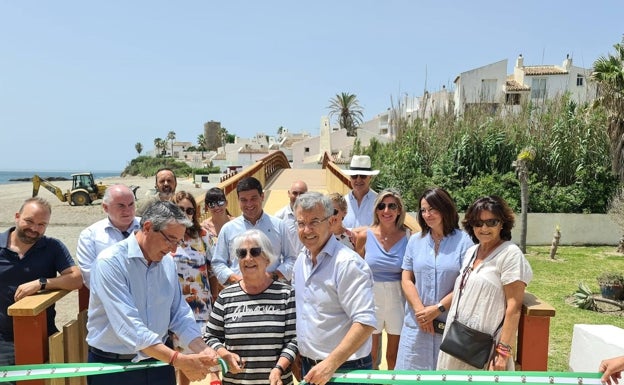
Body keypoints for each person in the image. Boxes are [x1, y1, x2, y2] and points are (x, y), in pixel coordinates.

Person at [86, 200, 218, 385]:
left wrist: (201, 348)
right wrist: (177, 360)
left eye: (178, 241)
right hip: (114, 367)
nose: (174, 249)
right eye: (170, 239)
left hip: (160, 362)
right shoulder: (110, 263)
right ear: (148, 227)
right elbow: (130, 327)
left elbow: (178, 313)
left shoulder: (167, 262)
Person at [437, 195, 533, 371]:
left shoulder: (510, 254)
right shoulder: (471, 252)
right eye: (478, 223)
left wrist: (503, 353)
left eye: (491, 222)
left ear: (502, 223)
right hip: (457, 341)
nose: (484, 228)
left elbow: (514, 306)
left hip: (486, 348)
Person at [293, 192, 376, 385]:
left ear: (331, 222)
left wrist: (330, 364)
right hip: (311, 367)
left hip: (345, 369)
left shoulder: (348, 264)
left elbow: (365, 322)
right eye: (301, 223)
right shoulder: (301, 261)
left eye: (314, 221)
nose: (307, 230)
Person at [0, 197, 82, 375]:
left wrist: (41, 283)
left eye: (41, 224)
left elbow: (76, 279)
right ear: (17, 216)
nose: (34, 229)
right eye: (29, 221)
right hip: (4, 337)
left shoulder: (52, 247)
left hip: (44, 332)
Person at [204, 229, 298, 385]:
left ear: (267, 258)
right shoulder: (226, 297)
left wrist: (279, 369)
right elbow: (210, 336)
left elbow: (294, 339)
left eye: (255, 252)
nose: (248, 258)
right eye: (242, 253)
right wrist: (225, 354)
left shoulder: (286, 294)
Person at [395, 187, 474, 370]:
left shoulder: (465, 241)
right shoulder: (415, 241)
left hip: (448, 325)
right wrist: (420, 311)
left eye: (432, 209)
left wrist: (438, 309)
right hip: (417, 324)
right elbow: (406, 278)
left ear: (445, 208)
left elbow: (466, 283)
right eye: (423, 210)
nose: (427, 214)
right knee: (411, 377)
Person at [354, 188, 409, 370]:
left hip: (397, 297)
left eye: (392, 206)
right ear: (376, 210)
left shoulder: (408, 237)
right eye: (382, 206)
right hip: (372, 296)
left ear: (399, 210)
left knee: (393, 355)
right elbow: (358, 272)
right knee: (371, 354)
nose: (387, 211)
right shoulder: (364, 236)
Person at [212, 177, 297, 286]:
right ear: (238, 200)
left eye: (253, 198)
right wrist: (237, 280)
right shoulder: (228, 229)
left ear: (262, 197)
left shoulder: (279, 226)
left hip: (272, 290)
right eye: (244, 200)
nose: (249, 204)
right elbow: (218, 262)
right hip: (239, 292)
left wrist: (273, 276)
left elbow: (292, 259)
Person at [171, 191, 218, 385]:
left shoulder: (203, 236)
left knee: (211, 355)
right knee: (184, 359)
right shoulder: (168, 236)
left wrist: (215, 296)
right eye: (180, 209)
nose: (185, 214)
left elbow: (213, 269)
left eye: (189, 210)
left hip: (202, 304)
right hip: (176, 306)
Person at [77, 184, 141, 288]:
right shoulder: (90, 236)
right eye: (121, 206)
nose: (128, 211)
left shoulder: (149, 228)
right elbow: (90, 276)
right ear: (105, 207)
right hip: (109, 299)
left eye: (131, 204)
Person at [200, 187, 233, 301]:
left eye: (220, 202)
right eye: (212, 204)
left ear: (226, 203)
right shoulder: (203, 229)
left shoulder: (236, 224)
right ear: (207, 207)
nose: (217, 207)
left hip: (235, 280)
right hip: (213, 286)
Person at [341, 155, 379, 229]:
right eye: (354, 176)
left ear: (370, 177)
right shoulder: (342, 202)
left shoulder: (379, 203)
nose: (358, 180)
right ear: (350, 177)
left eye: (363, 176)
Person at [275, 180, 308, 253]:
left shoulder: (313, 216)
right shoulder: (279, 217)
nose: (298, 197)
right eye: (295, 193)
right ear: (289, 194)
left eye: (302, 194)